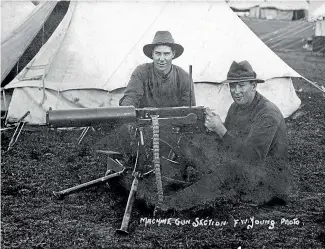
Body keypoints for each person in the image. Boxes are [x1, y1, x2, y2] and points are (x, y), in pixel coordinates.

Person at [160, 60, 292, 211]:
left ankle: (171, 205)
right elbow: (226, 143)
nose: (236, 91)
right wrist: (210, 128)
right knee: (193, 145)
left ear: (254, 86)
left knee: (227, 170)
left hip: (269, 184)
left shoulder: (267, 114)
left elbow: (252, 157)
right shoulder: (236, 107)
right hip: (246, 170)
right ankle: (170, 186)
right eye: (232, 86)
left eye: (241, 85)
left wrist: (221, 130)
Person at [119, 30, 196, 108]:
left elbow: (190, 111)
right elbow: (130, 98)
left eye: (166, 54)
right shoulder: (141, 72)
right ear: (152, 54)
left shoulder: (185, 78)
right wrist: (126, 110)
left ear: (173, 54)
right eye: (158, 53)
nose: (162, 59)